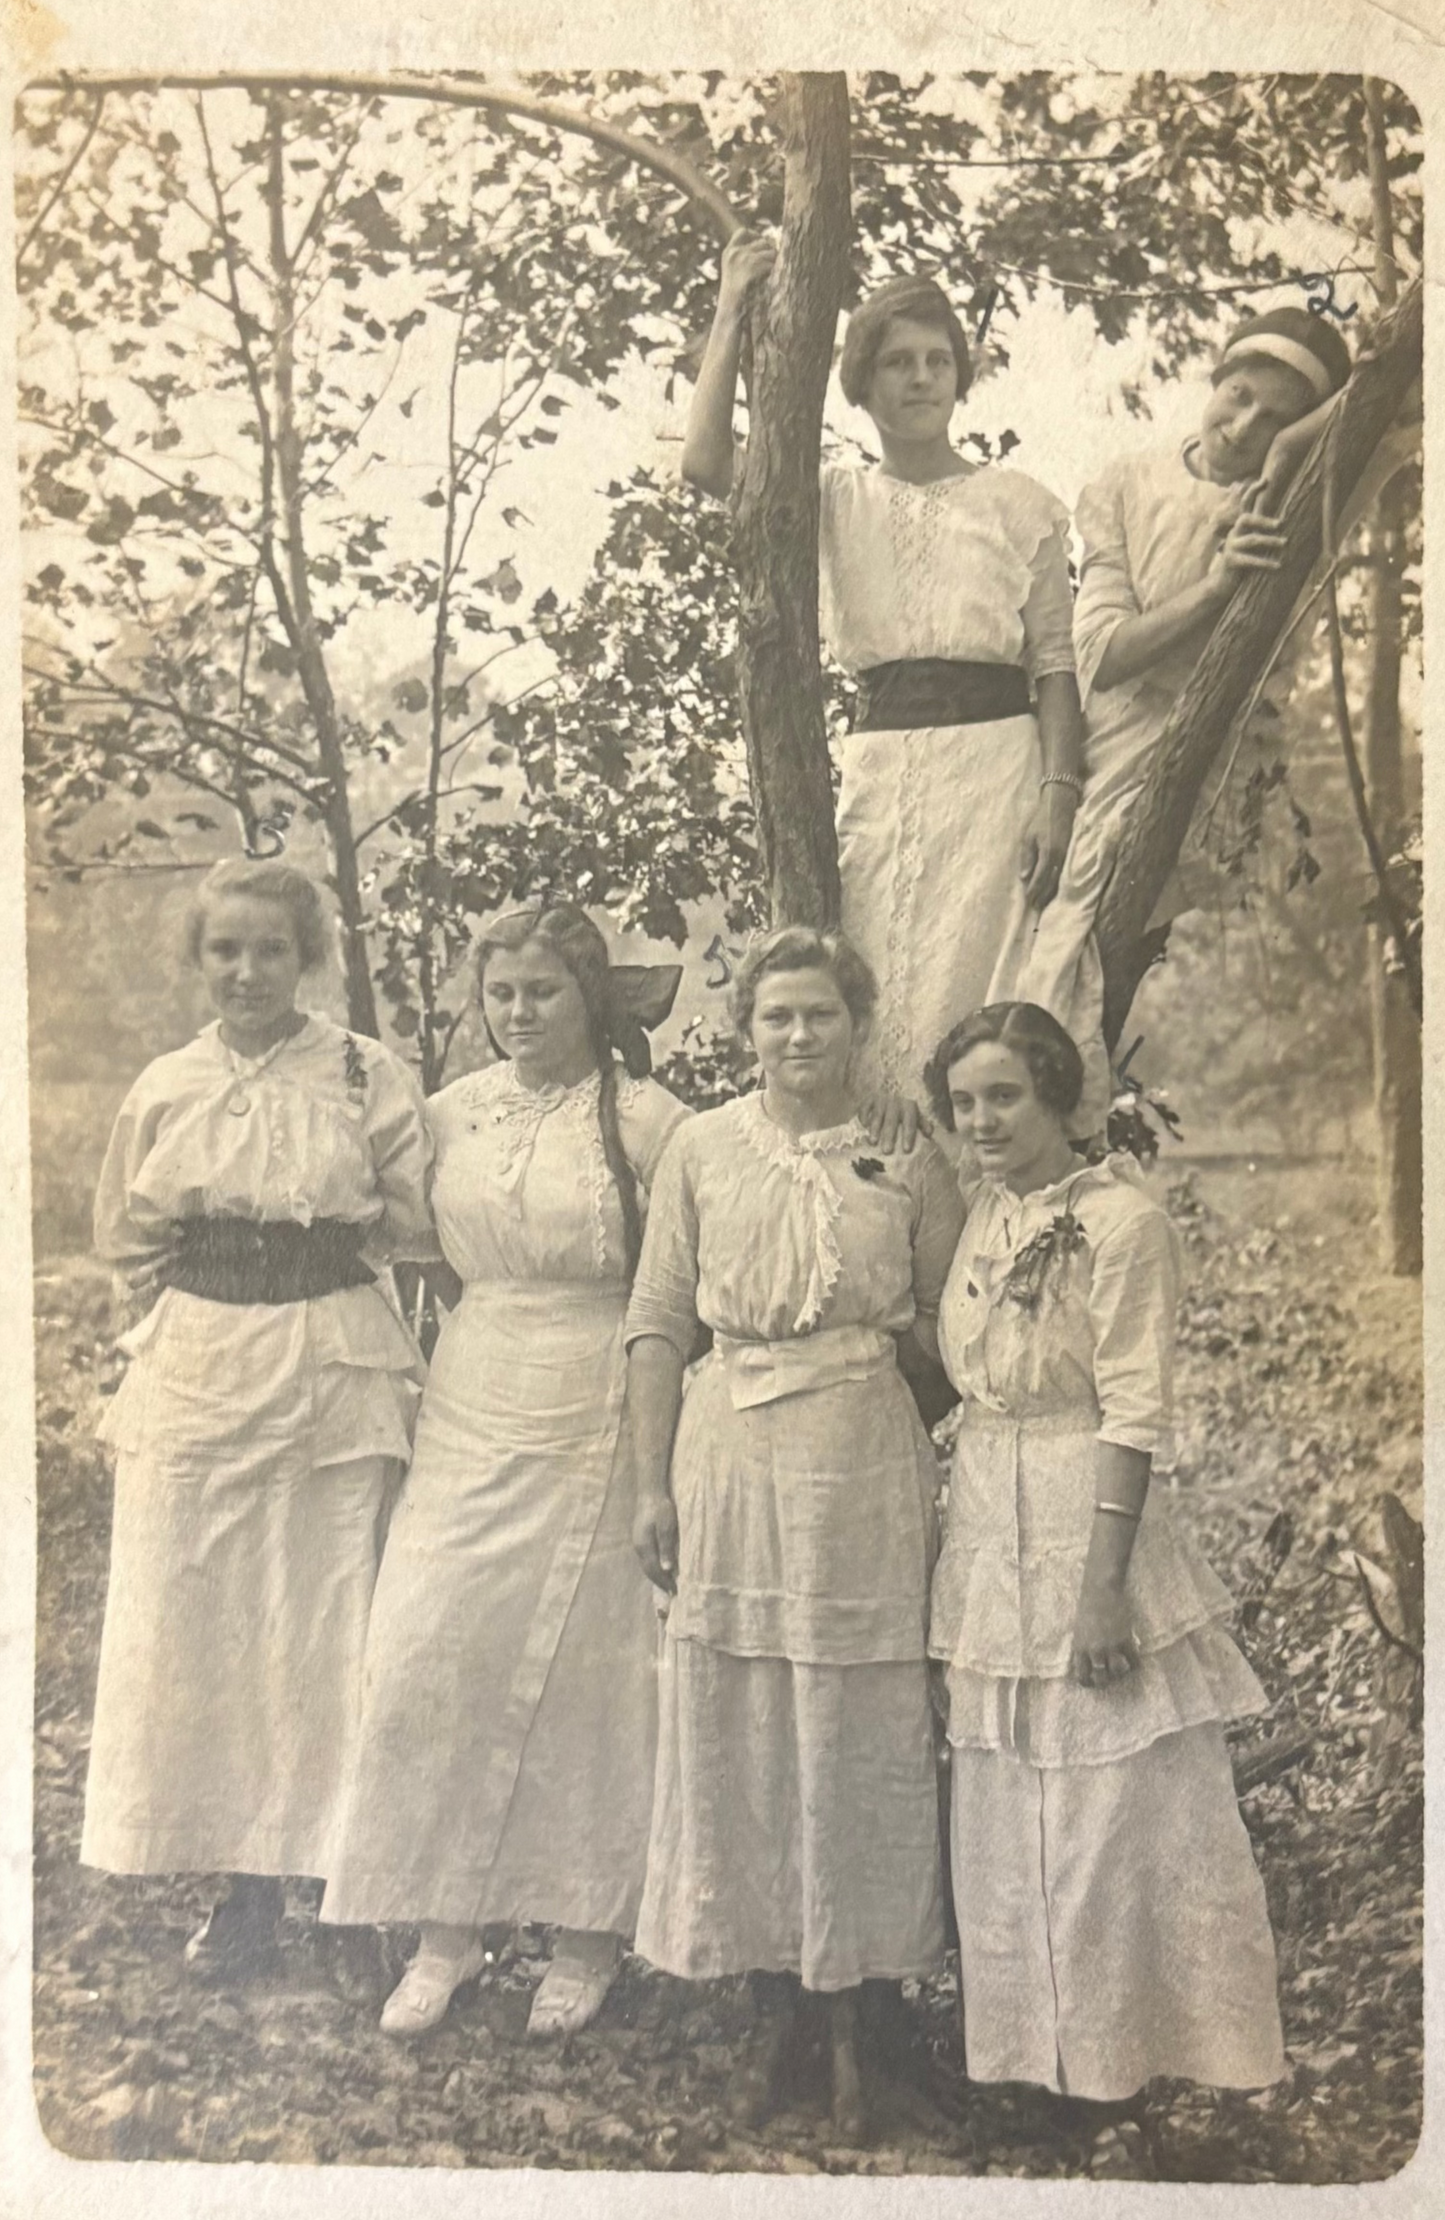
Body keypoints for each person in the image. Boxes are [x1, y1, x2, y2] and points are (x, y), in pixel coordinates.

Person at [320, 905, 689, 2039]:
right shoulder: (449, 1115)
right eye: (501, 996)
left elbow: (678, 1278)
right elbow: (412, 1239)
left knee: (593, 1666)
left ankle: (585, 1934)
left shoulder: (649, 1121)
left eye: (543, 993)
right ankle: (445, 1929)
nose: (519, 1015)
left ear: (589, 998)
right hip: (476, 1382)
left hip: (602, 1381)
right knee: (431, 1638)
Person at [626, 926, 965, 2140]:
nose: (797, 1037)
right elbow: (660, 1318)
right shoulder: (700, 1150)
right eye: (776, 1016)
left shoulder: (906, 1158)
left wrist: (864, 1401)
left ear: (856, 1025)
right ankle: (776, 2007)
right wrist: (650, 1485)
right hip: (726, 1456)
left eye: (819, 1014)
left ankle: (873, 2016)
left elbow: (946, 1333)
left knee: (862, 1721)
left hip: (861, 1460)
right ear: (746, 1029)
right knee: (748, 1719)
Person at [921, 1000, 1285, 2106]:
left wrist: (1101, 1590)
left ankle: (1140, 2065)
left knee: (1115, 1807)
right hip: (988, 1514)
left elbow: (1133, 1412)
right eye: (964, 1102)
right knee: (1006, 1798)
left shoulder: (1122, 1225)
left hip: (1088, 1511)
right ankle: (1028, 2068)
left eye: (1004, 1097)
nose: (981, 1120)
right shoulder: (984, 1215)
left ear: (1058, 1097)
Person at [83, 858, 431, 1980]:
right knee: (215, 1629)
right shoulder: (167, 1084)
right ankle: (242, 1891)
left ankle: (342, 1887)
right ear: (200, 959)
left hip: (332, 1365)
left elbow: (411, 1216)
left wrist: (313, 1276)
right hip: (200, 1370)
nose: (246, 971)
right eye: (225, 950)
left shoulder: (359, 1071)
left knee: (331, 1621)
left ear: (309, 958)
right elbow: (127, 1237)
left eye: (270, 950)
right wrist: (211, 1303)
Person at [683, 243, 1086, 1105]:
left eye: (938, 361)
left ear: (960, 377)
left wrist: (1059, 792)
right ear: (860, 382)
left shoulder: (1019, 504)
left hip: (998, 771)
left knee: (986, 988)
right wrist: (730, 310)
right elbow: (707, 466)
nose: (921, 379)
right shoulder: (831, 497)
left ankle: (983, 1209)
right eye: (898, 362)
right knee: (879, 971)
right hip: (881, 765)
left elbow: (1054, 663)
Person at [1014, 306, 1367, 1081]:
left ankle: (1054, 1105)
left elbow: (1387, 395)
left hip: (1203, 752)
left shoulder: (1304, 504)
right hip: (1102, 733)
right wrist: (1215, 589)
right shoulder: (1127, 484)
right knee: (1031, 923)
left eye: (1277, 419)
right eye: (1237, 395)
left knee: (1087, 936)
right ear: (1212, 381)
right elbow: (1103, 654)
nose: (1243, 427)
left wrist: (1289, 459)